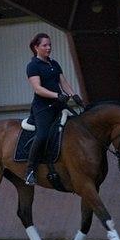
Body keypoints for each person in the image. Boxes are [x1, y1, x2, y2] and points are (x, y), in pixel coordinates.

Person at [24, 33, 83, 186]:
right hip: (43, 107)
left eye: (49, 45)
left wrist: (73, 95)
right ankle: (30, 170)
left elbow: (63, 82)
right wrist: (57, 95)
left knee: (79, 125)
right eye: (45, 45)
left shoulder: (54, 64)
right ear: (36, 47)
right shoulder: (33, 66)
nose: (49, 48)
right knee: (43, 135)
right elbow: (38, 89)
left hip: (59, 104)